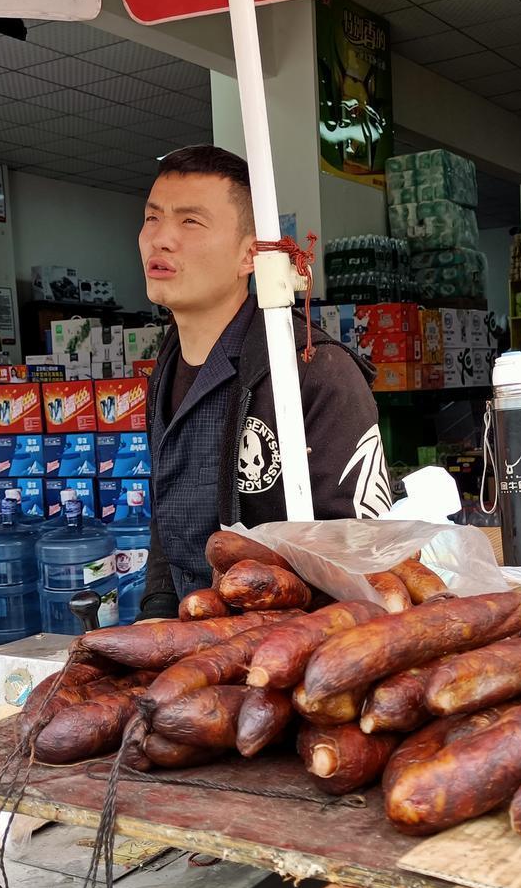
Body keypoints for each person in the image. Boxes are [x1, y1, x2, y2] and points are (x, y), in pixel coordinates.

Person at [136, 145, 390, 620]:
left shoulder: (316, 371)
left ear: (250, 255)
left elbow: (362, 557)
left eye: (191, 222)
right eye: (152, 218)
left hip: (285, 651)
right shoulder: (166, 365)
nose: (162, 238)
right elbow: (166, 521)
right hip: (185, 639)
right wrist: (156, 611)